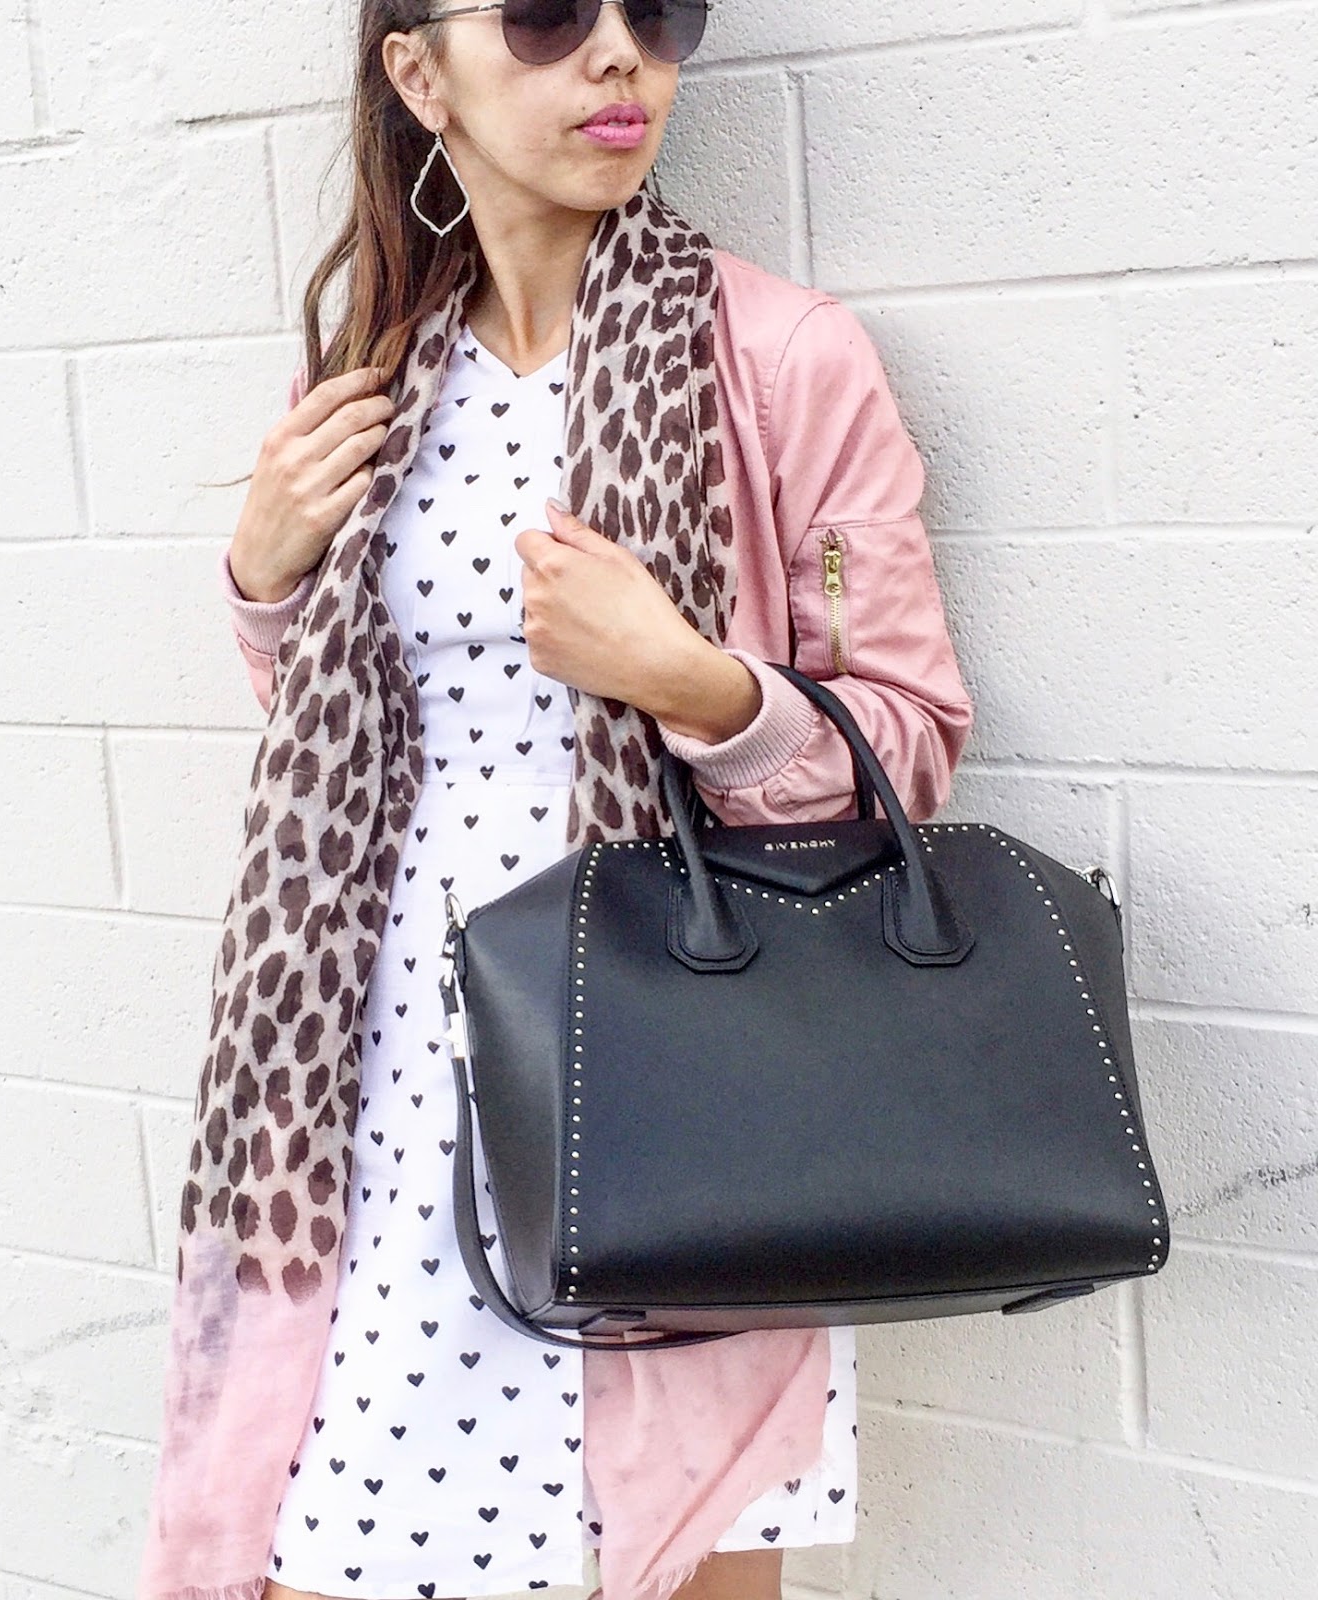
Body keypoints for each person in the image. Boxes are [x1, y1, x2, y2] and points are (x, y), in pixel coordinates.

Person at [145, 4, 974, 1600]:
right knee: (330, 1544)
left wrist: (695, 684)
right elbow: (346, 740)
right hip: (380, 1092)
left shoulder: (782, 359)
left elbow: (911, 734)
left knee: (672, 1552)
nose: (615, 57)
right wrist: (263, 578)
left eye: (655, 13)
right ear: (418, 71)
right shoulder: (371, 380)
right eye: (541, 15)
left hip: (675, 1077)